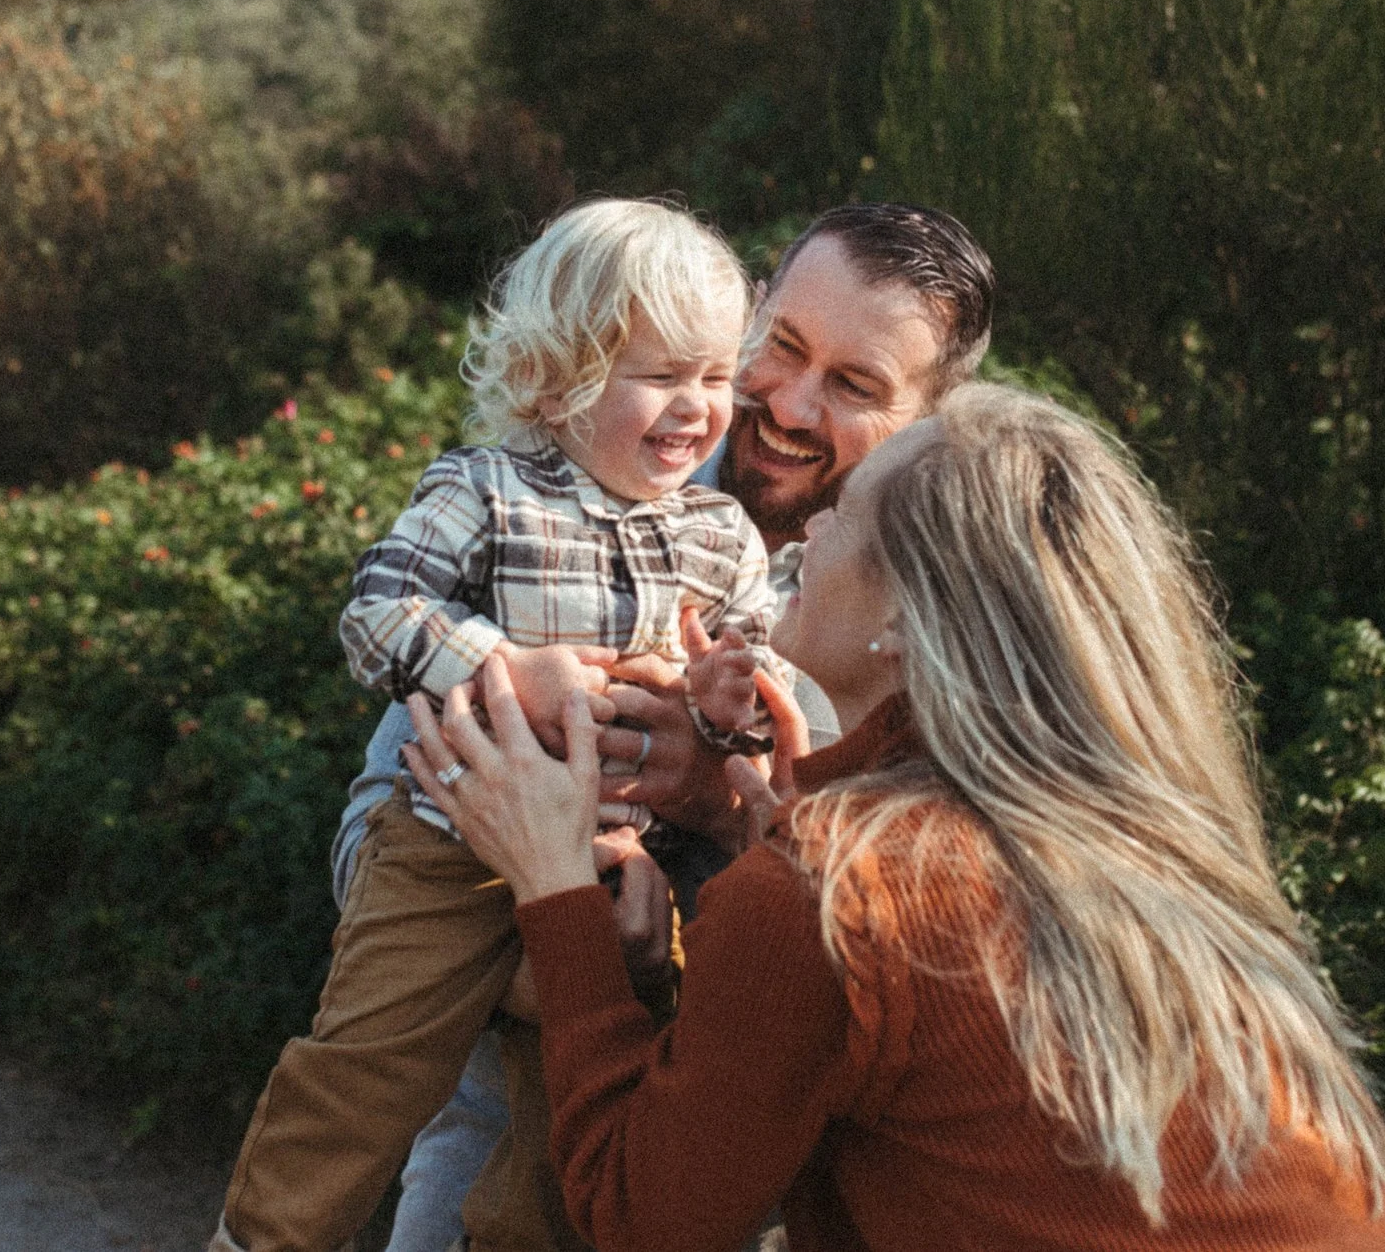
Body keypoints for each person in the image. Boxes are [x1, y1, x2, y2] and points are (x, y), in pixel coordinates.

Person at [405, 385, 1385, 1252]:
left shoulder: (835, 884)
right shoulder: (1126, 833)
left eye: (847, 512)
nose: (811, 526)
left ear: (903, 620)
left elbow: (641, 1214)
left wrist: (550, 884)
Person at [329, 203, 998, 1252]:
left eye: (854, 384)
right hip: (506, 1123)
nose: (785, 403)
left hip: (759, 1171)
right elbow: (385, 811)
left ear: (923, 419)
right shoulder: (567, 509)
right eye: (776, 348)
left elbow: (931, 938)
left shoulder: (918, 615)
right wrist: (536, 933)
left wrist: (719, 804)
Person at [213, 199, 778, 1252]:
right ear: (551, 382)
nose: (698, 406)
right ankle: (263, 1238)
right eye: (659, 375)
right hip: (449, 846)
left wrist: (720, 703)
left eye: (714, 375)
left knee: (575, 1108)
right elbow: (376, 614)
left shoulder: (720, 535)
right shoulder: (485, 489)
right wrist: (503, 665)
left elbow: (750, 677)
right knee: (364, 1069)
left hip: (609, 861)